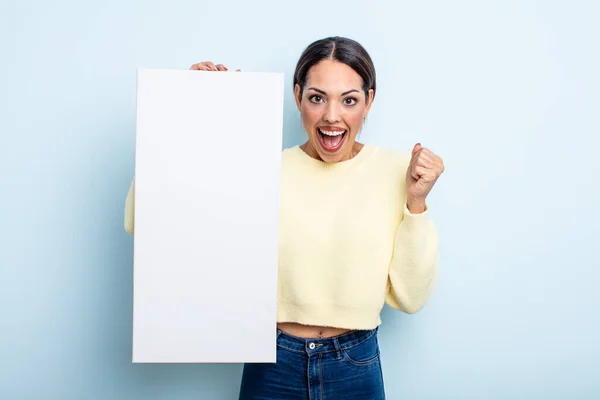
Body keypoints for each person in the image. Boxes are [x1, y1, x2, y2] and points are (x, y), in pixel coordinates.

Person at [124, 36, 444, 399]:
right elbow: (143, 222)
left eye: (349, 100)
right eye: (317, 97)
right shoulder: (260, 168)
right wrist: (188, 113)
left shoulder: (397, 172)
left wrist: (416, 203)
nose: (332, 116)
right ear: (298, 96)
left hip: (355, 363)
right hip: (272, 361)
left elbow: (410, 298)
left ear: (369, 101)